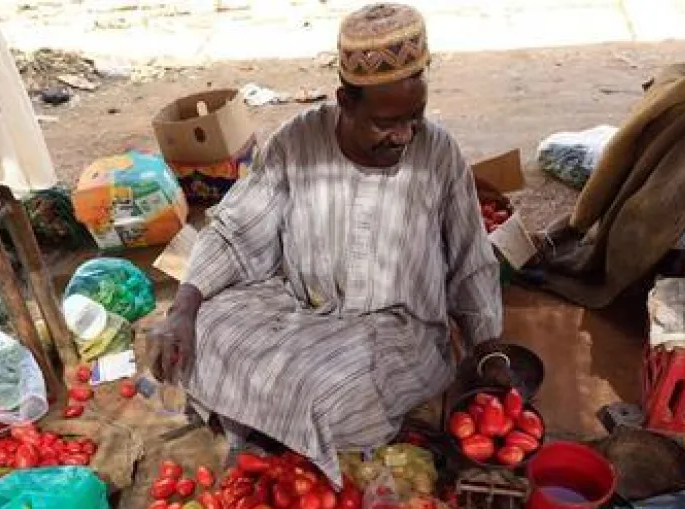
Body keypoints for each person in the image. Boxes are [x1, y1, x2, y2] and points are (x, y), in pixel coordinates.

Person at [152, 3, 502, 483]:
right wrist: (184, 310)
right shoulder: (296, 141)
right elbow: (238, 229)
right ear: (345, 101)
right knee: (208, 331)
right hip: (295, 303)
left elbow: (471, 259)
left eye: (414, 118)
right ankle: (278, 430)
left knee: (327, 393)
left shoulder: (438, 153)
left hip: (394, 330)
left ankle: (275, 431)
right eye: (386, 122)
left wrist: (487, 345)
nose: (404, 135)